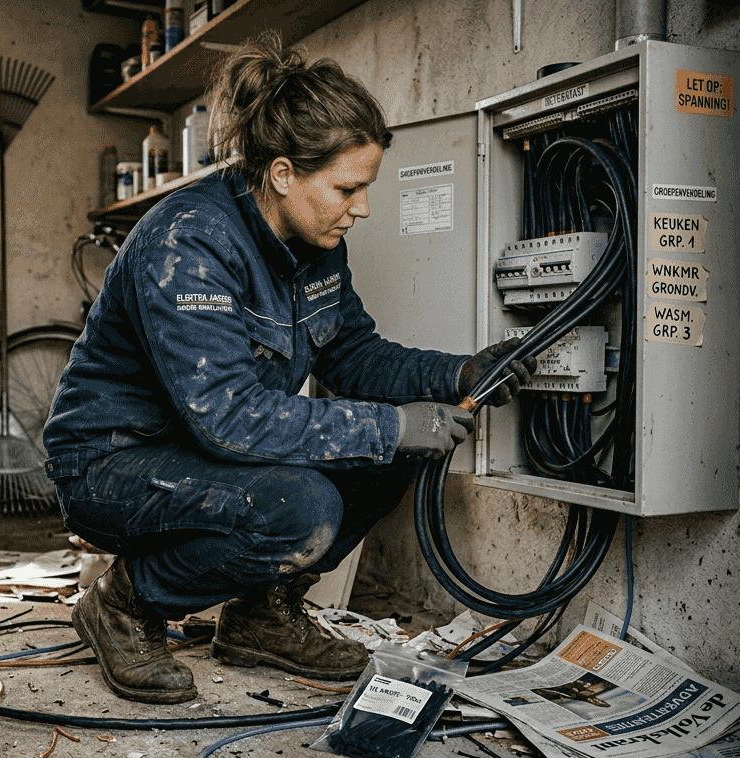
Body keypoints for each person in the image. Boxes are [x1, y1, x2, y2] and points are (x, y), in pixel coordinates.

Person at [42, 32, 535, 704]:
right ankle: (124, 605)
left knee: (394, 455)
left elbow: (354, 354)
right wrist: (388, 426)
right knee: (301, 510)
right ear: (281, 174)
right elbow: (227, 415)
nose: (361, 207)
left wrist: (459, 374)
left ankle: (260, 616)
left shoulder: (314, 242)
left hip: (201, 448)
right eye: (347, 187)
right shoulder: (190, 241)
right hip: (112, 462)